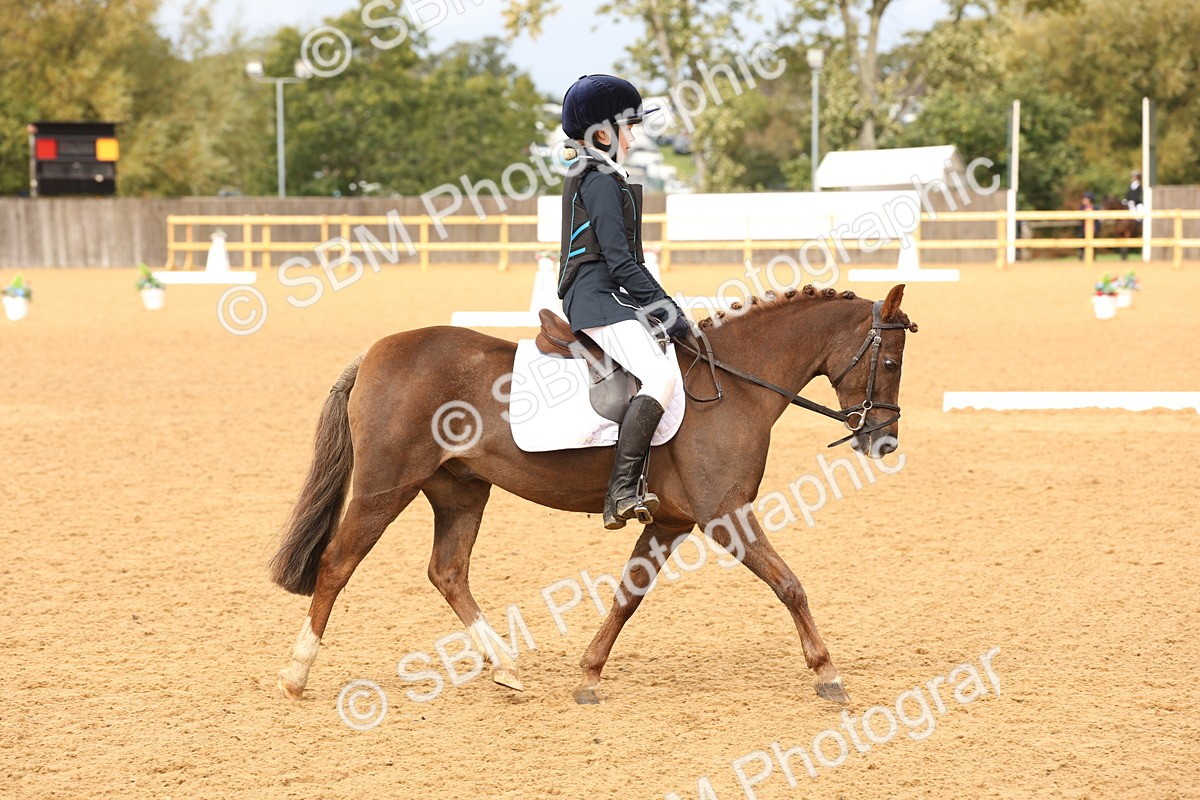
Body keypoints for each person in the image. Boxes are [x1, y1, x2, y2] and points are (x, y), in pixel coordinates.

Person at [556, 74, 690, 530]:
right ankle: (622, 490)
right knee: (660, 374)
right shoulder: (597, 181)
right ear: (602, 134)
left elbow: (629, 265)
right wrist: (669, 312)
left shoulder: (605, 177)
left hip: (608, 294)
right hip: (596, 298)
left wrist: (663, 308)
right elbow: (619, 262)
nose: (632, 138)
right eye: (626, 128)